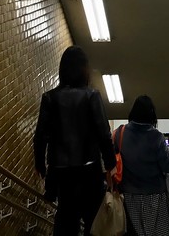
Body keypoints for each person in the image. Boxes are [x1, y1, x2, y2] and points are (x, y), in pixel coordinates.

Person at [33, 46, 116, 236]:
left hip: (62, 173)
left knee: (65, 219)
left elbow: (40, 136)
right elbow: (104, 134)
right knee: (93, 222)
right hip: (90, 172)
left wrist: (40, 165)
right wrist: (111, 164)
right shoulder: (91, 96)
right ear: (84, 69)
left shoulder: (50, 98)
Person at [115, 94, 169, 236]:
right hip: (155, 197)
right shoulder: (156, 136)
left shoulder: (119, 133)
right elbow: (168, 166)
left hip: (128, 197)